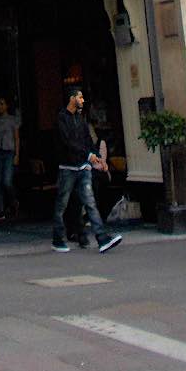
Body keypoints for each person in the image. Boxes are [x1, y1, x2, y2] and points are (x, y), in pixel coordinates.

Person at [52, 87, 121, 254]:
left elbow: (88, 141)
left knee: (90, 202)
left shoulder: (80, 119)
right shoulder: (62, 118)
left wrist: (97, 157)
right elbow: (68, 142)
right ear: (71, 98)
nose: (82, 101)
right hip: (67, 167)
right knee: (62, 204)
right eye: (80, 97)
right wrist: (88, 154)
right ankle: (58, 238)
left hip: (82, 167)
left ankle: (101, 238)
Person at [0, 96, 20, 221]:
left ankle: (13, 201)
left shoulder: (13, 120)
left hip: (8, 152)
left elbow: (17, 138)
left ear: (7, 105)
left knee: (7, 181)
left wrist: (17, 154)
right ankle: (1, 210)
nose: (0, 106)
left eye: (2, 104)